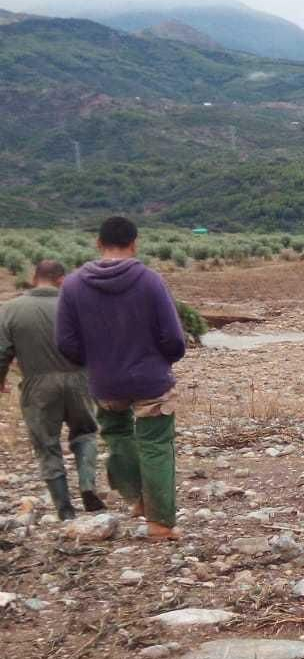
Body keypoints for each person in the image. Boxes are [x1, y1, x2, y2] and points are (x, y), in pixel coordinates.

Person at [56, 216, 187, 539]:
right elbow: (173, 337)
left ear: (98, 243)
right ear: (135, 243)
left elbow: (65, 343)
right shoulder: (150, 280)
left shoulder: (72, 285)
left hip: (105, 380)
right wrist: (161, 361)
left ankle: (137, 498)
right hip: (150, 378)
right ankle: (159, 523)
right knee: (156, 443)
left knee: (117, 435)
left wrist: (96, 362)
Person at [0, 260, 105, 520]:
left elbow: (2, 352)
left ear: (35, 278)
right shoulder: (78, 307)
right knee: (85, 434)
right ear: (61, 280)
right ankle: (87, 484)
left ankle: (65, 510)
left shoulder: (10, 309)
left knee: (47, 445)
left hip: (37, 384)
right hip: (78, 379)